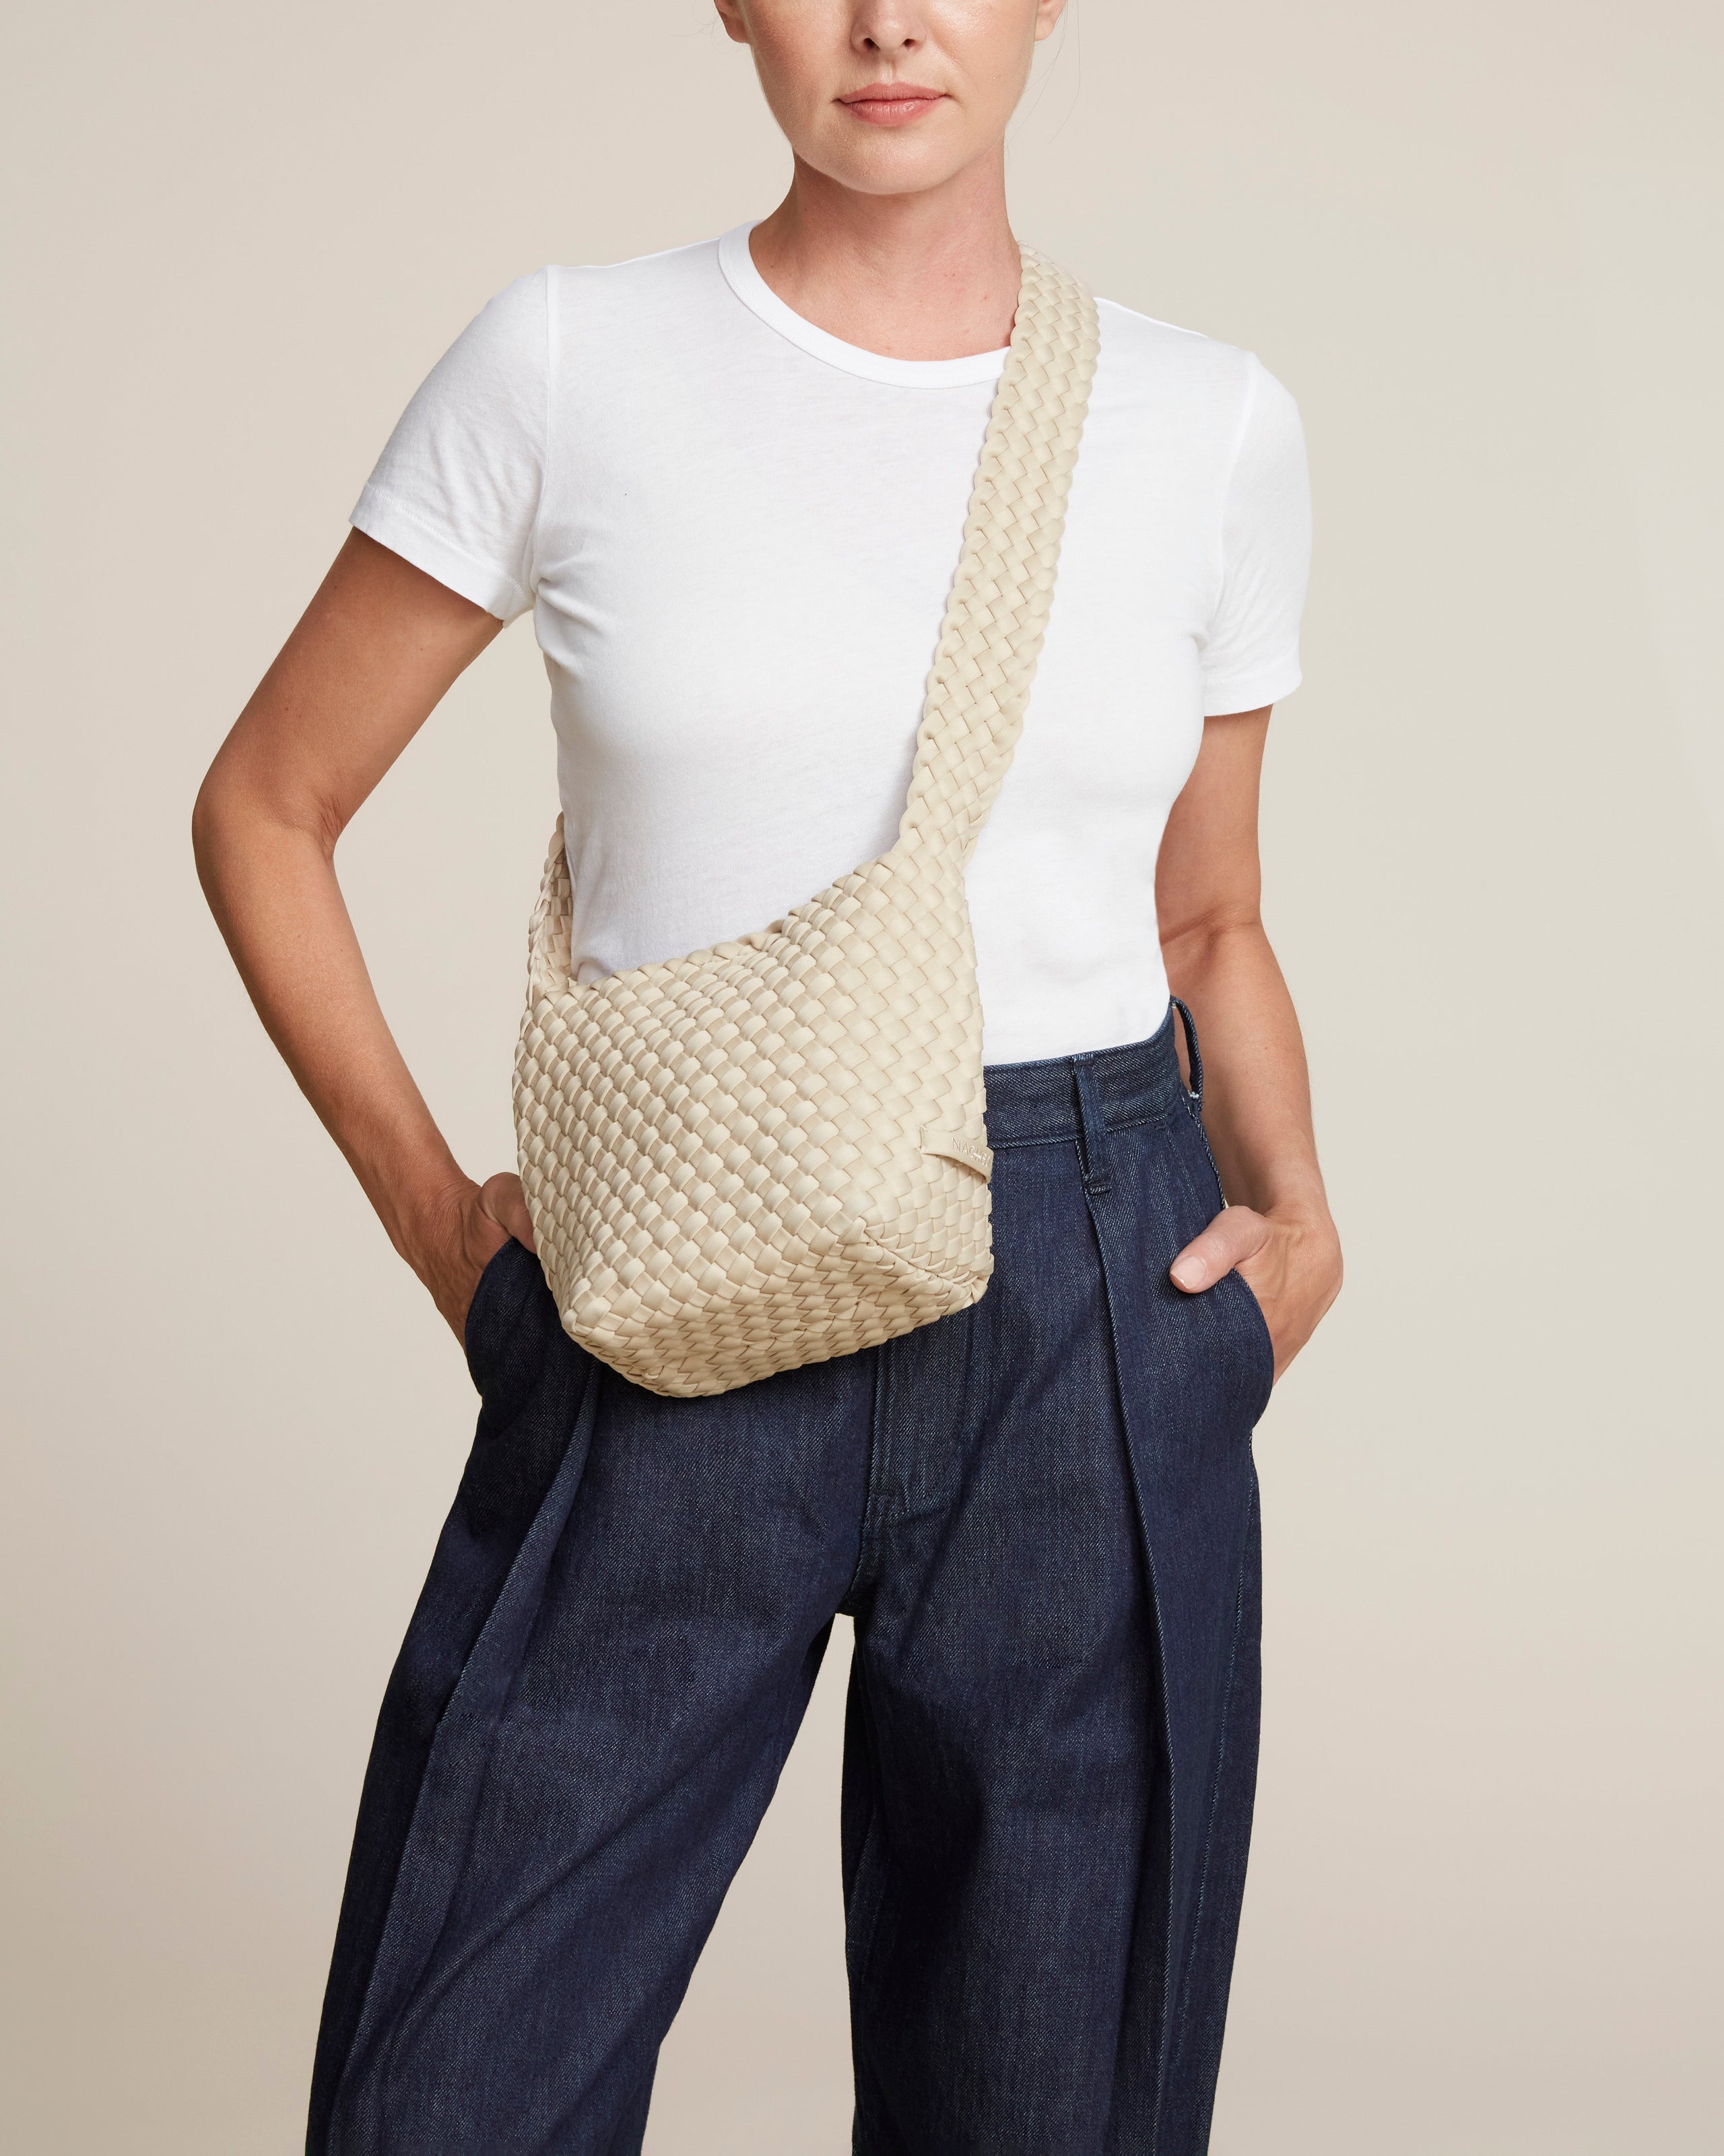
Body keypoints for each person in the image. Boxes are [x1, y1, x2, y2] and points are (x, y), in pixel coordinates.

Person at [193, 3, 1342, 2149]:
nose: (891, 21)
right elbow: (268, 802)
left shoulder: (1210, 424)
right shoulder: (570, 363)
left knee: (1052, 2104)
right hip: (671, 1292)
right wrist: (444, 1223)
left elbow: (1209, 919)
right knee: (457, 2086)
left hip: (1086, 1298)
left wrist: (1296, 1213)